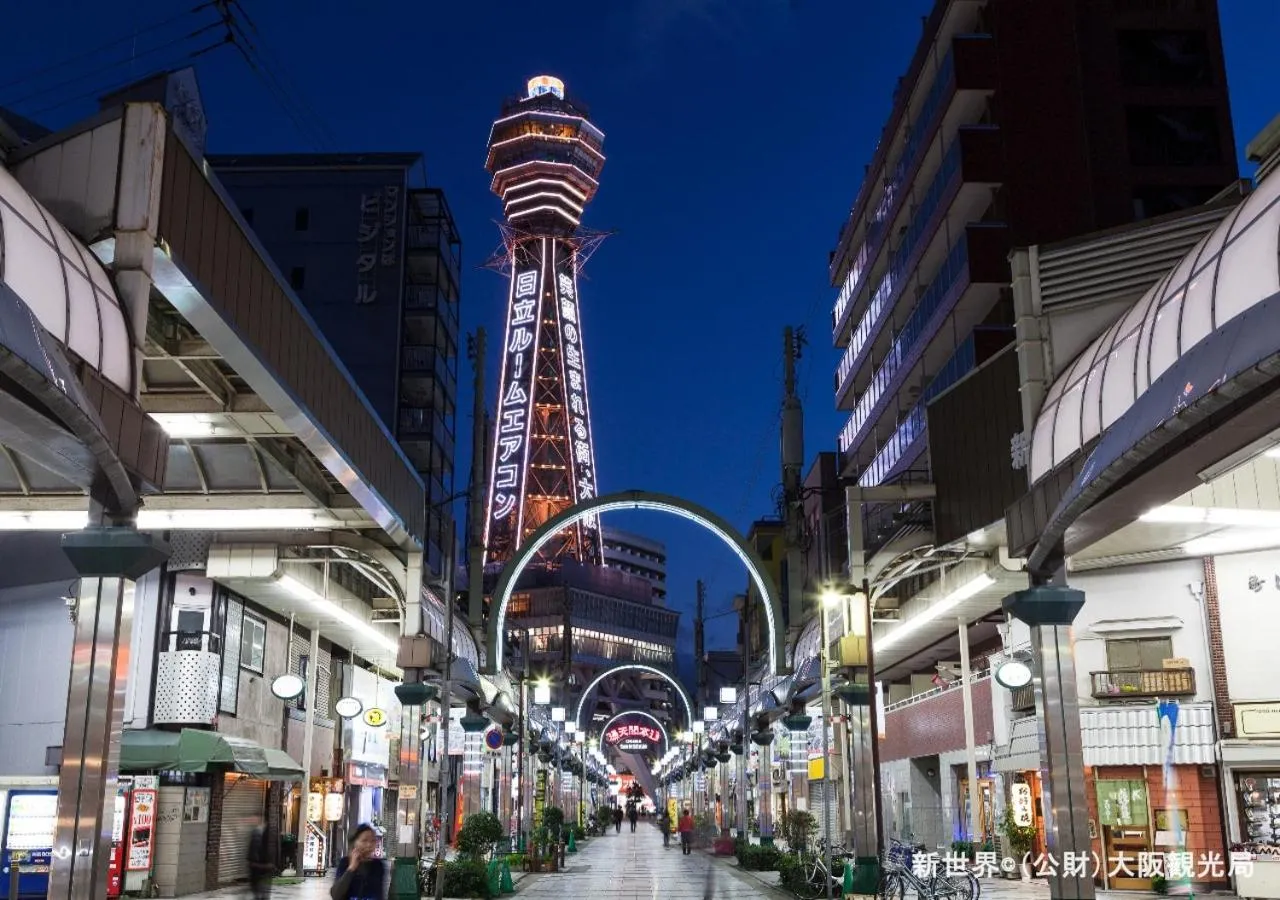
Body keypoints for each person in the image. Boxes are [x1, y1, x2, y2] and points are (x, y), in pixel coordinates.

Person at [331, 824, 387, 900]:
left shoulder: (378, 865)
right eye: (364, 840)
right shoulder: (345, 862)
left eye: (373, 841)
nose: (369, 845)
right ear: (355, 842)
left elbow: (380, 894)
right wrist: (351, 868)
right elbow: (336, 895)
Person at [246, 815, 273, 900]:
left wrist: (253, 862)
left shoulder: (259, 833)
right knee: (261, 891)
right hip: (263, 867)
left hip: (260, 866)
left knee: (260, 890)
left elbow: (255, 850)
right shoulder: (260, 832)